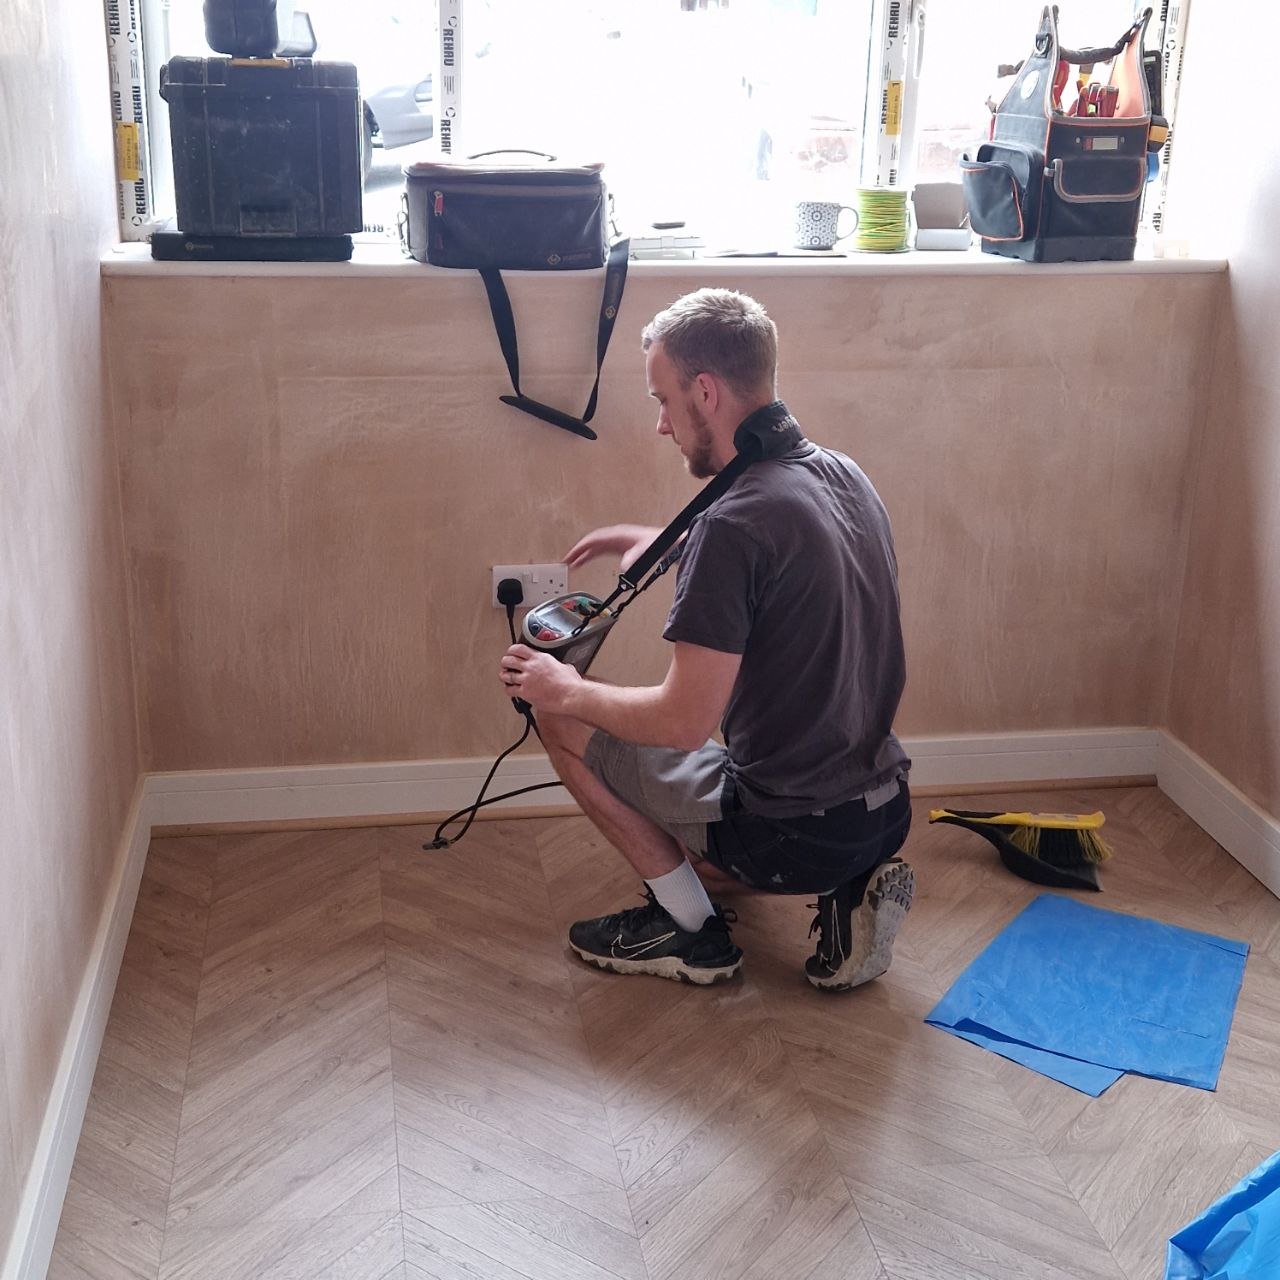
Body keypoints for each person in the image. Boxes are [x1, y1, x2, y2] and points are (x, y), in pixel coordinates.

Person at [498, 288, 913, 990]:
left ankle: (688, 933)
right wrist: (668, 540)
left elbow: (682, 724)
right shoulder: (842, 475)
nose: (662, 425)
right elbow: (778, 551)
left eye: (664, 401)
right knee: (713, 810)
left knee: (560, 716)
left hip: (791, 829)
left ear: (707, 391)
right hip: (884, 809)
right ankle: (848, 886)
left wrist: (567, 688)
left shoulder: (734, 526)